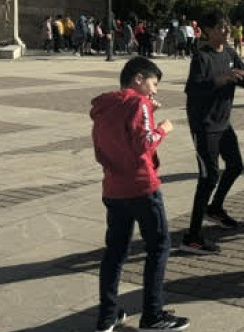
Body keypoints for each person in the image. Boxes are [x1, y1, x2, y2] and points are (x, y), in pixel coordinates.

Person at [90, 57, 190, 332]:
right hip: (142, 187)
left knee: (115, 252)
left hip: (114, 187)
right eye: (153, 83)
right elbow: (143, 143)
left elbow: (110, 145)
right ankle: (153, 315)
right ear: (138, 78)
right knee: (159, 247)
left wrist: (149, 115)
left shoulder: (104, 106)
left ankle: (108, 316)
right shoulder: (138, 102)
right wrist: (163, 128)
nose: (154, 91)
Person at [180, 11, 244, 255]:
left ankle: (215, 209)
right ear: (208, 31)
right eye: (221, 27)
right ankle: (192, 237)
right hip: (204, 125)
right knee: (208, 178)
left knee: (236, 166)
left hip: (223, 122)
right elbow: (193, 89)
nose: (227, 30)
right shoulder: (202, 56)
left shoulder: (229, 52)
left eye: (228, 25)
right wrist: (222, 78)